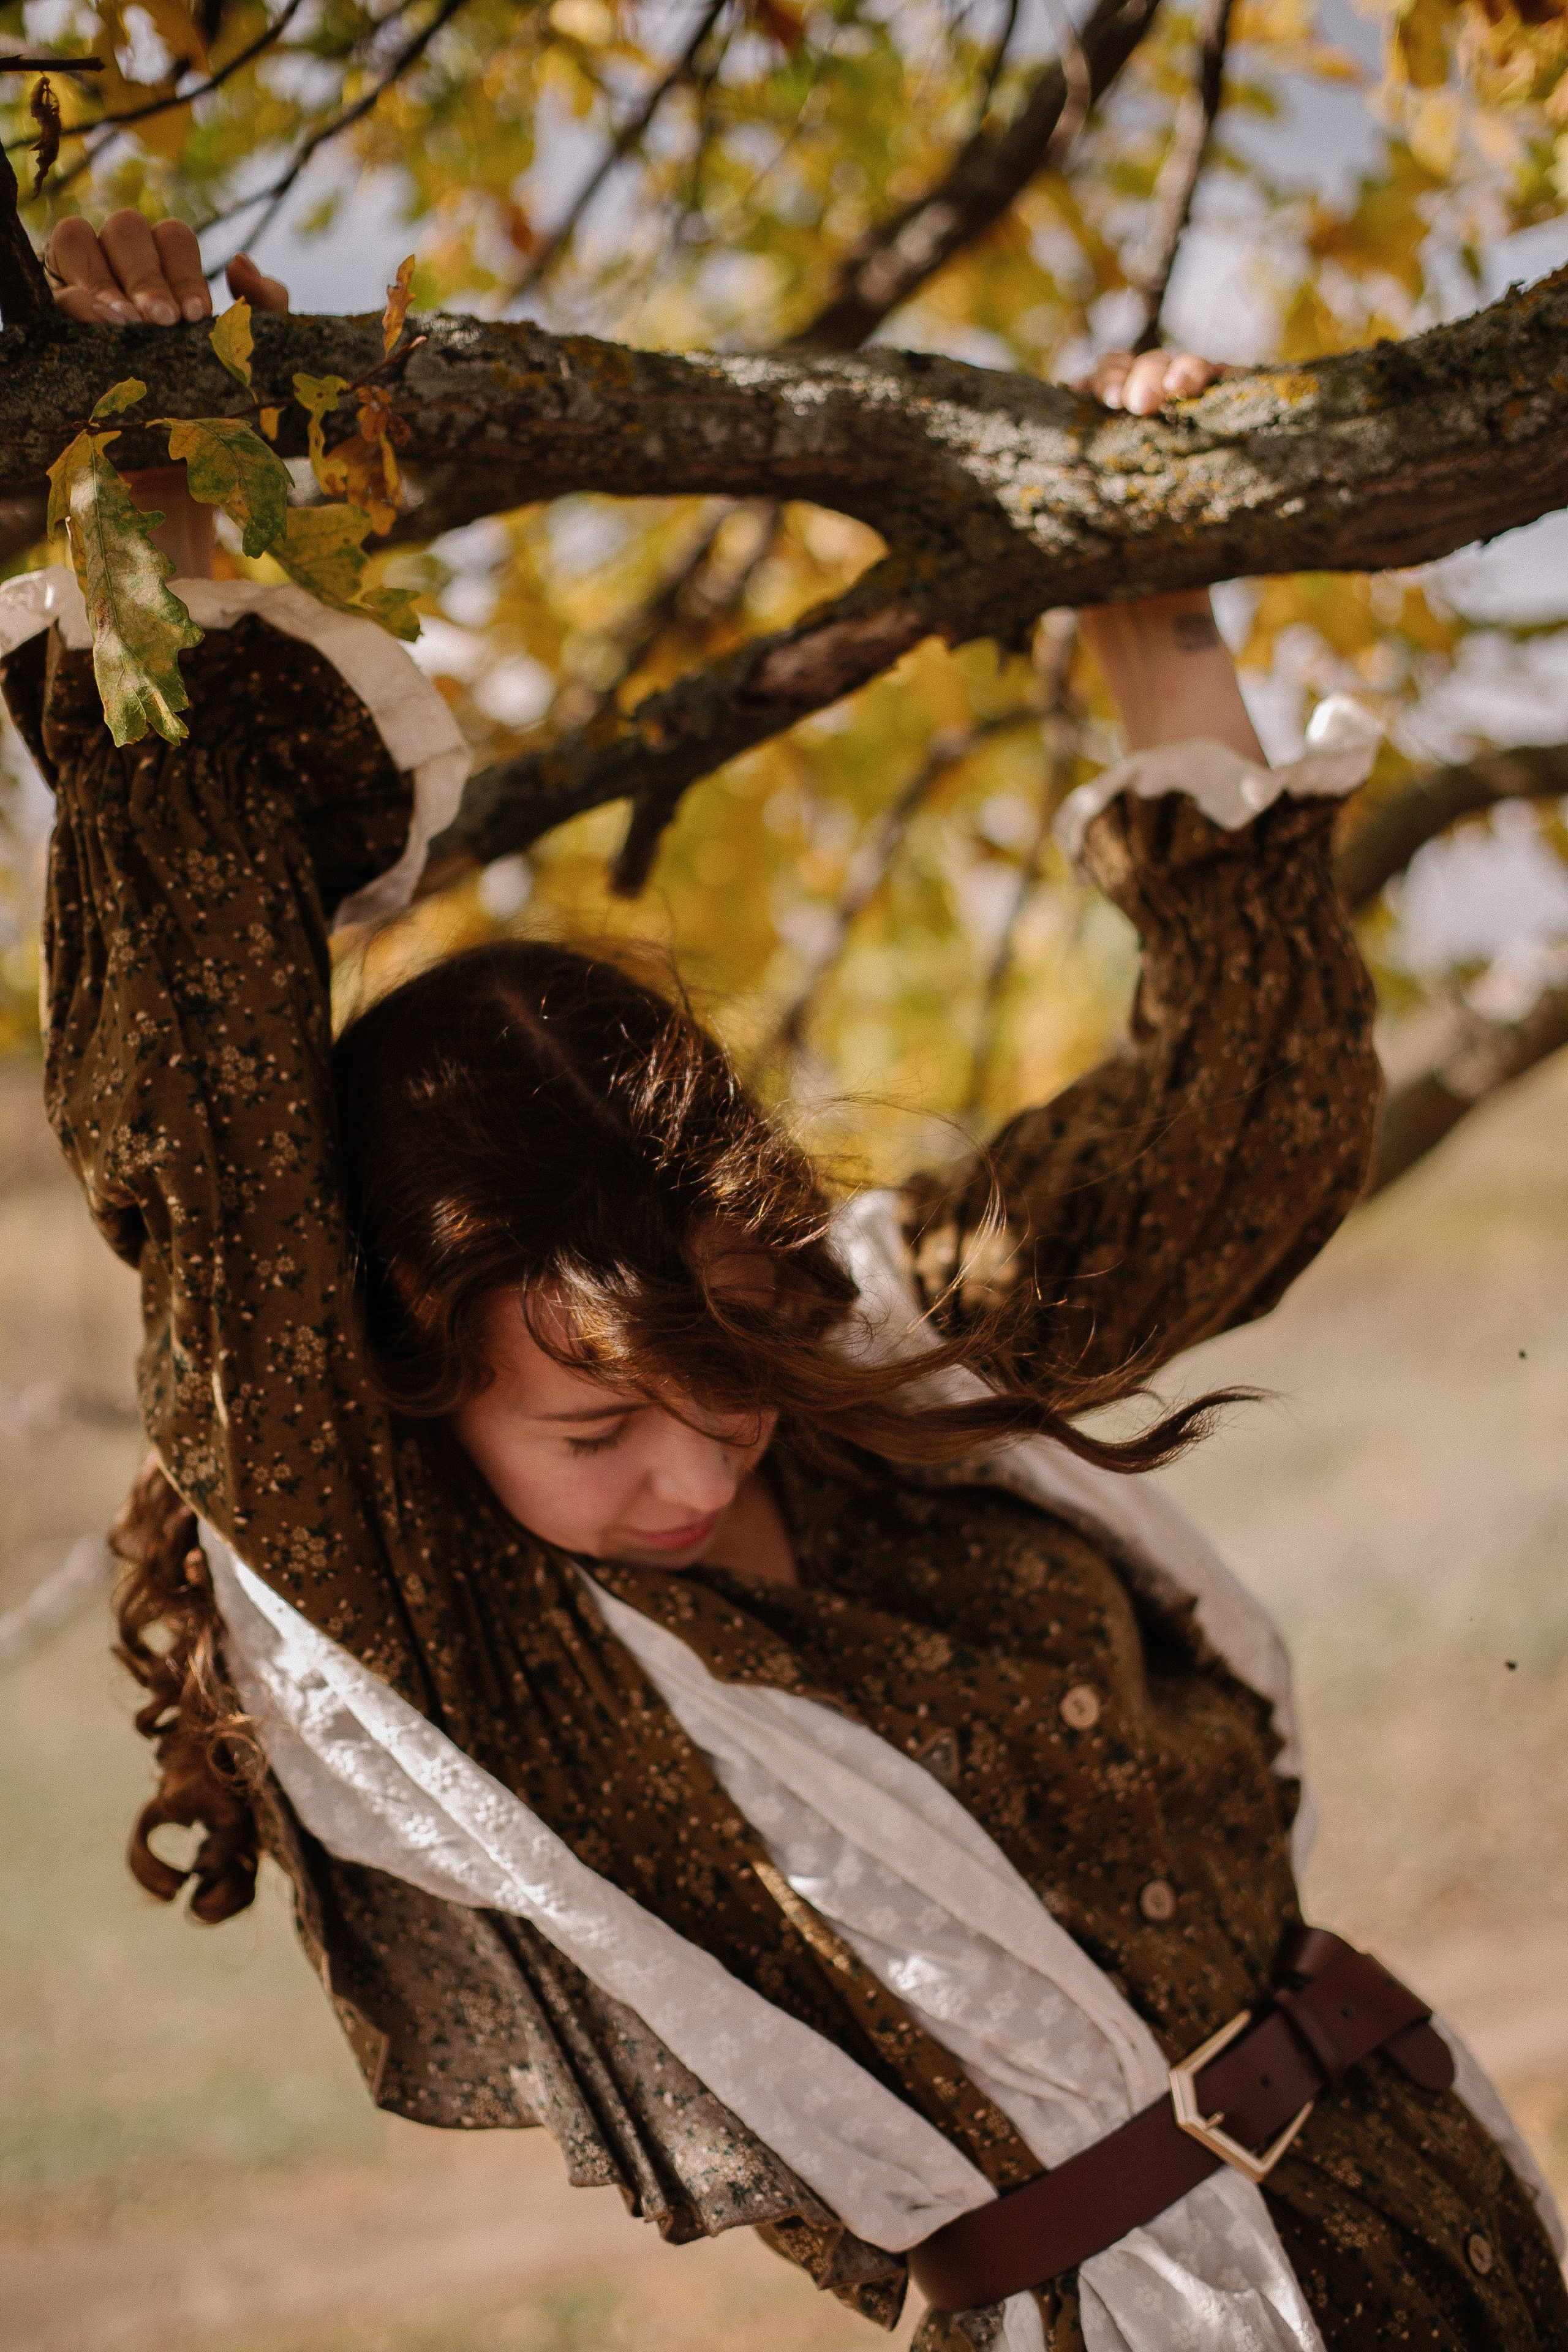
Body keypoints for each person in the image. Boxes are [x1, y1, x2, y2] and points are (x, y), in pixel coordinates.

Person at [15, 212, 1566, 2352]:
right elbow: (204, 1096)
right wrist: (156, 483)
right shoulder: (456, 1627)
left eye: (714, 1369)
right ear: (407, 1381)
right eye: (590, 1422)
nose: (686, 1455)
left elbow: (1244, 1127)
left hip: (1458, 2223)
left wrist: (1152, 614)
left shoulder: (856, 1341)